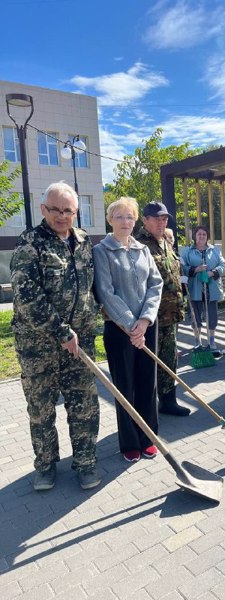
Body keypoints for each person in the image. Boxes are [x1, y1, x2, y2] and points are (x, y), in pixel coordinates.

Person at [10, 181, 101, 491]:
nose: (61, 216)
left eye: (68, 210)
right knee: (41, 408)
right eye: (55, 210)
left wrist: (92, 320)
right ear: (43, 210)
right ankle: (46, 466)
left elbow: (89, 288)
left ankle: (86, 463)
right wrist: (62, 332)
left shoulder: (84, 241)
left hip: (80, 343)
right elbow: (27, 297)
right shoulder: (30, 243)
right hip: (39, 346)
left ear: (75, 212)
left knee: (84, 404)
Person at [93, 197, 163, 462]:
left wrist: (144, 321)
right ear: (110, 219)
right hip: (119, 331)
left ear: (135, 221)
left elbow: (155, 284)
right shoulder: (101, 251)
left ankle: (149, 438)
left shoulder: (142, 250)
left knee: (148, 383)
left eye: (130, 217)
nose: (125, 222)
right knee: (126, 387)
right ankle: (130, 442)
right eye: (119, 216)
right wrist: (130, 324)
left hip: (146, 328)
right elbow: (105, 291)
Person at [136, 201, 190, 416]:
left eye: (165, 218)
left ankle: (168, 401)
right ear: (145, 220)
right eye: (157, 218)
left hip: (170, 316)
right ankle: (145, 409)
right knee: (149, 364)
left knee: (169, 360)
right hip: (151, 318)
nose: (162, 222)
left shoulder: (166, 243)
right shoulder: (138, 245)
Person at [181, 225, 225, 351]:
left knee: (212, 316)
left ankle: (211, 341)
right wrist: (195, 269)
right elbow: (182, 267)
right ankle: (198, 341)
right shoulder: (188, 251)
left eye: (204, 234)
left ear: (207, 237)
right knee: (195, 315)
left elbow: (223, 265)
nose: (202, 236)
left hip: (211, 288)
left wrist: (214, 272)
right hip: (195, 288)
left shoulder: (215, 250)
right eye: (199, 234)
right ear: (195, 236)